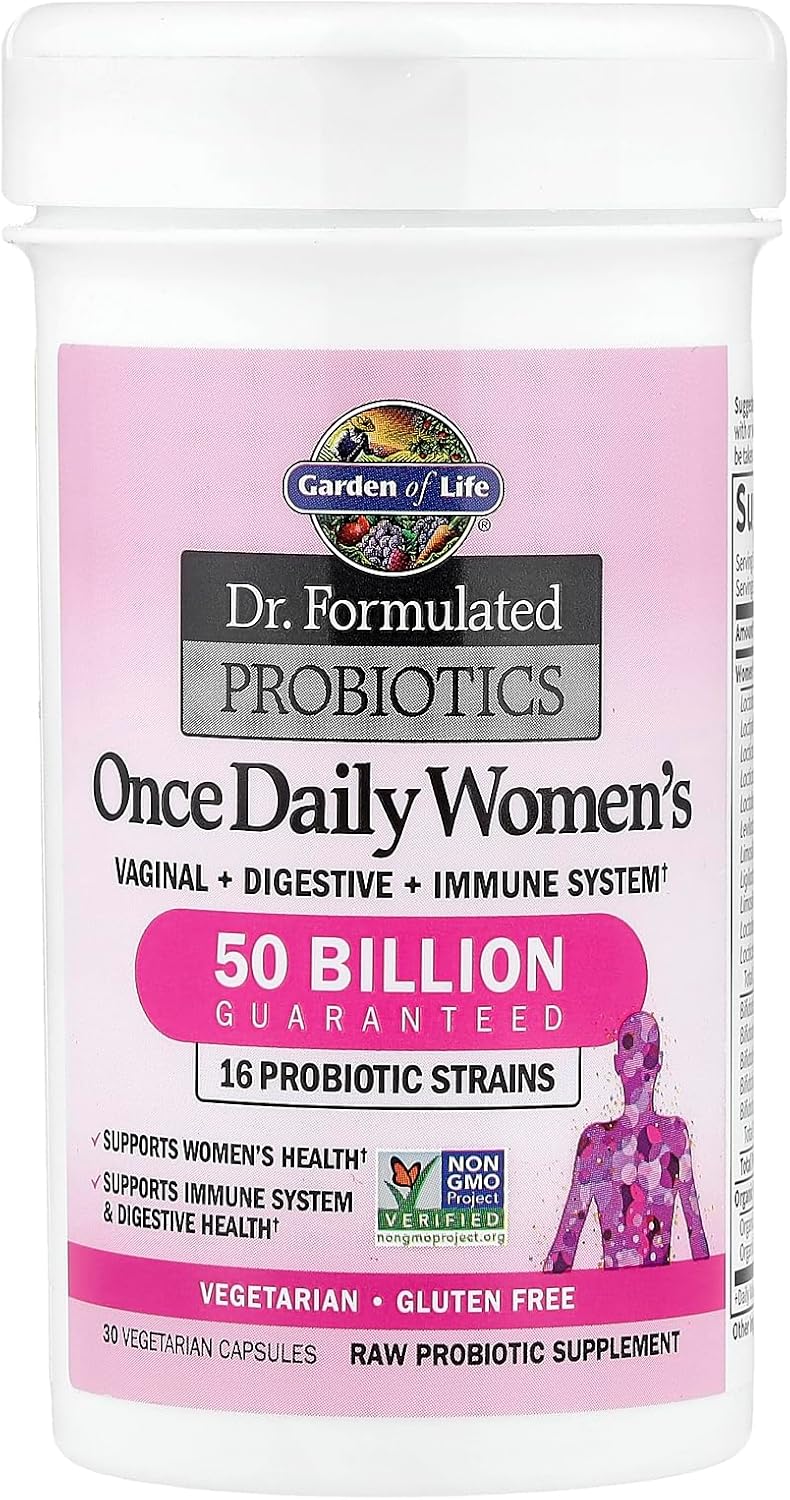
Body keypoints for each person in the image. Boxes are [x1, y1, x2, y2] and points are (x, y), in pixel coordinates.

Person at [544, 1011, 709, 1271]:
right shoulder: (596, 1142)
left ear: (658, 1062)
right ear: (618, 1062)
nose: (638, 1063)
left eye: (646, 1054)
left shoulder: (674, 1135)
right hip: (615, 1294)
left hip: (659, 1291)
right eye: (632, 1051)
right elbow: (566, 1244)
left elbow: (696, 1234)